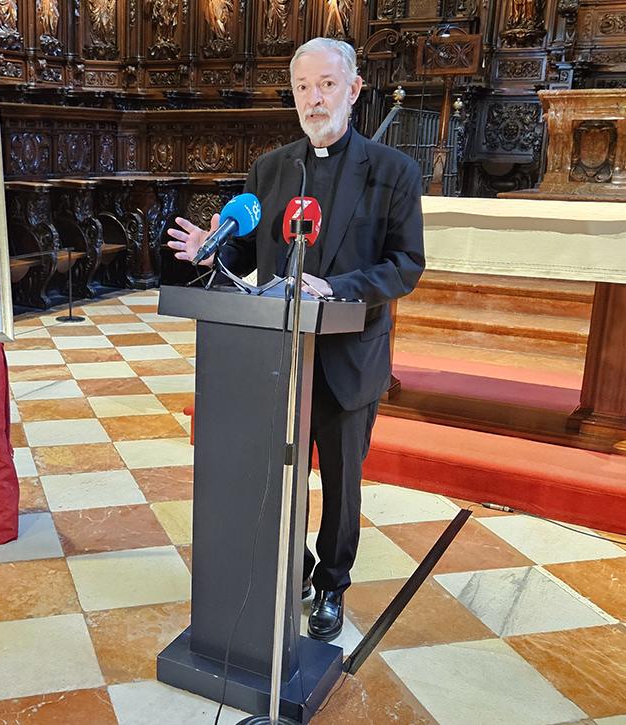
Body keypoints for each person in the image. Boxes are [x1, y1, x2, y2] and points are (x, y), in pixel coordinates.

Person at [166, 37, 425, 642]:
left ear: (353, 90)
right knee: (279, 474)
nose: (314, 99)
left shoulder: (393, 171)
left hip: (347, 357)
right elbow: (245, 251)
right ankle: (297, 568)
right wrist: (212, 248)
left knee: (340, 482)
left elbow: (405, 265)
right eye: (303, 87)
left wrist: (335, 288)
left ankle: (332, 583)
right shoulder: (271, 169)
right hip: (276, 354)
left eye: (327, 85)